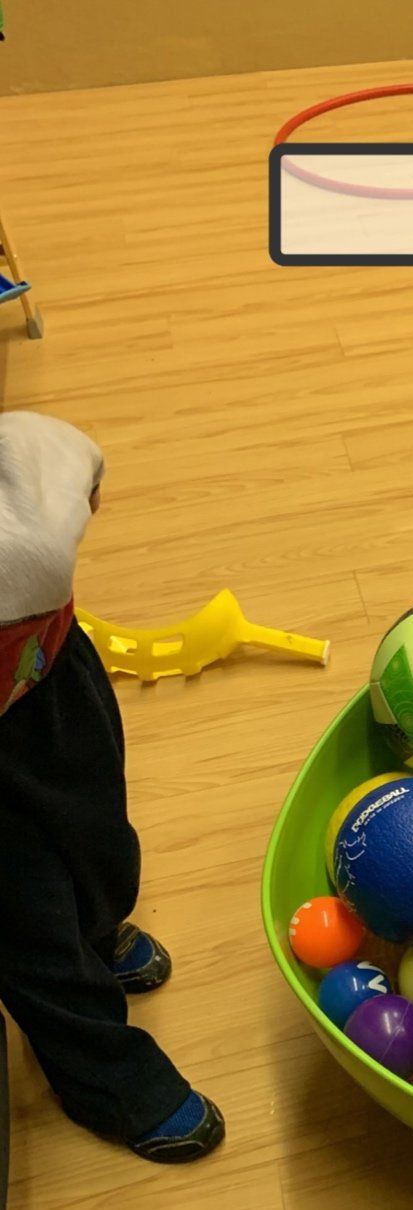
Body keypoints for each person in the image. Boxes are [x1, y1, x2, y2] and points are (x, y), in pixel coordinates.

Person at [0, 411, 224, 1162]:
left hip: (48, 675)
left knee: (95, 831)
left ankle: (96, 927)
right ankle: (107, 1075)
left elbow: (66, 459)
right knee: (26, 927)